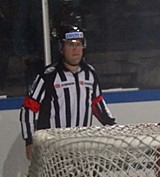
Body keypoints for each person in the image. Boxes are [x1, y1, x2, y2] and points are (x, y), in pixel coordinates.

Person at [20, 25, 116, 160]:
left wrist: (113, 127)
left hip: (81, 148)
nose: (75, 49)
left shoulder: (90, 74)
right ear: (61, 48)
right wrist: (29, 141)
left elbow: (97, 104)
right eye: (70, 44)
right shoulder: (48, 75)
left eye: (79, 44)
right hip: (53, 149)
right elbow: (29, 108)